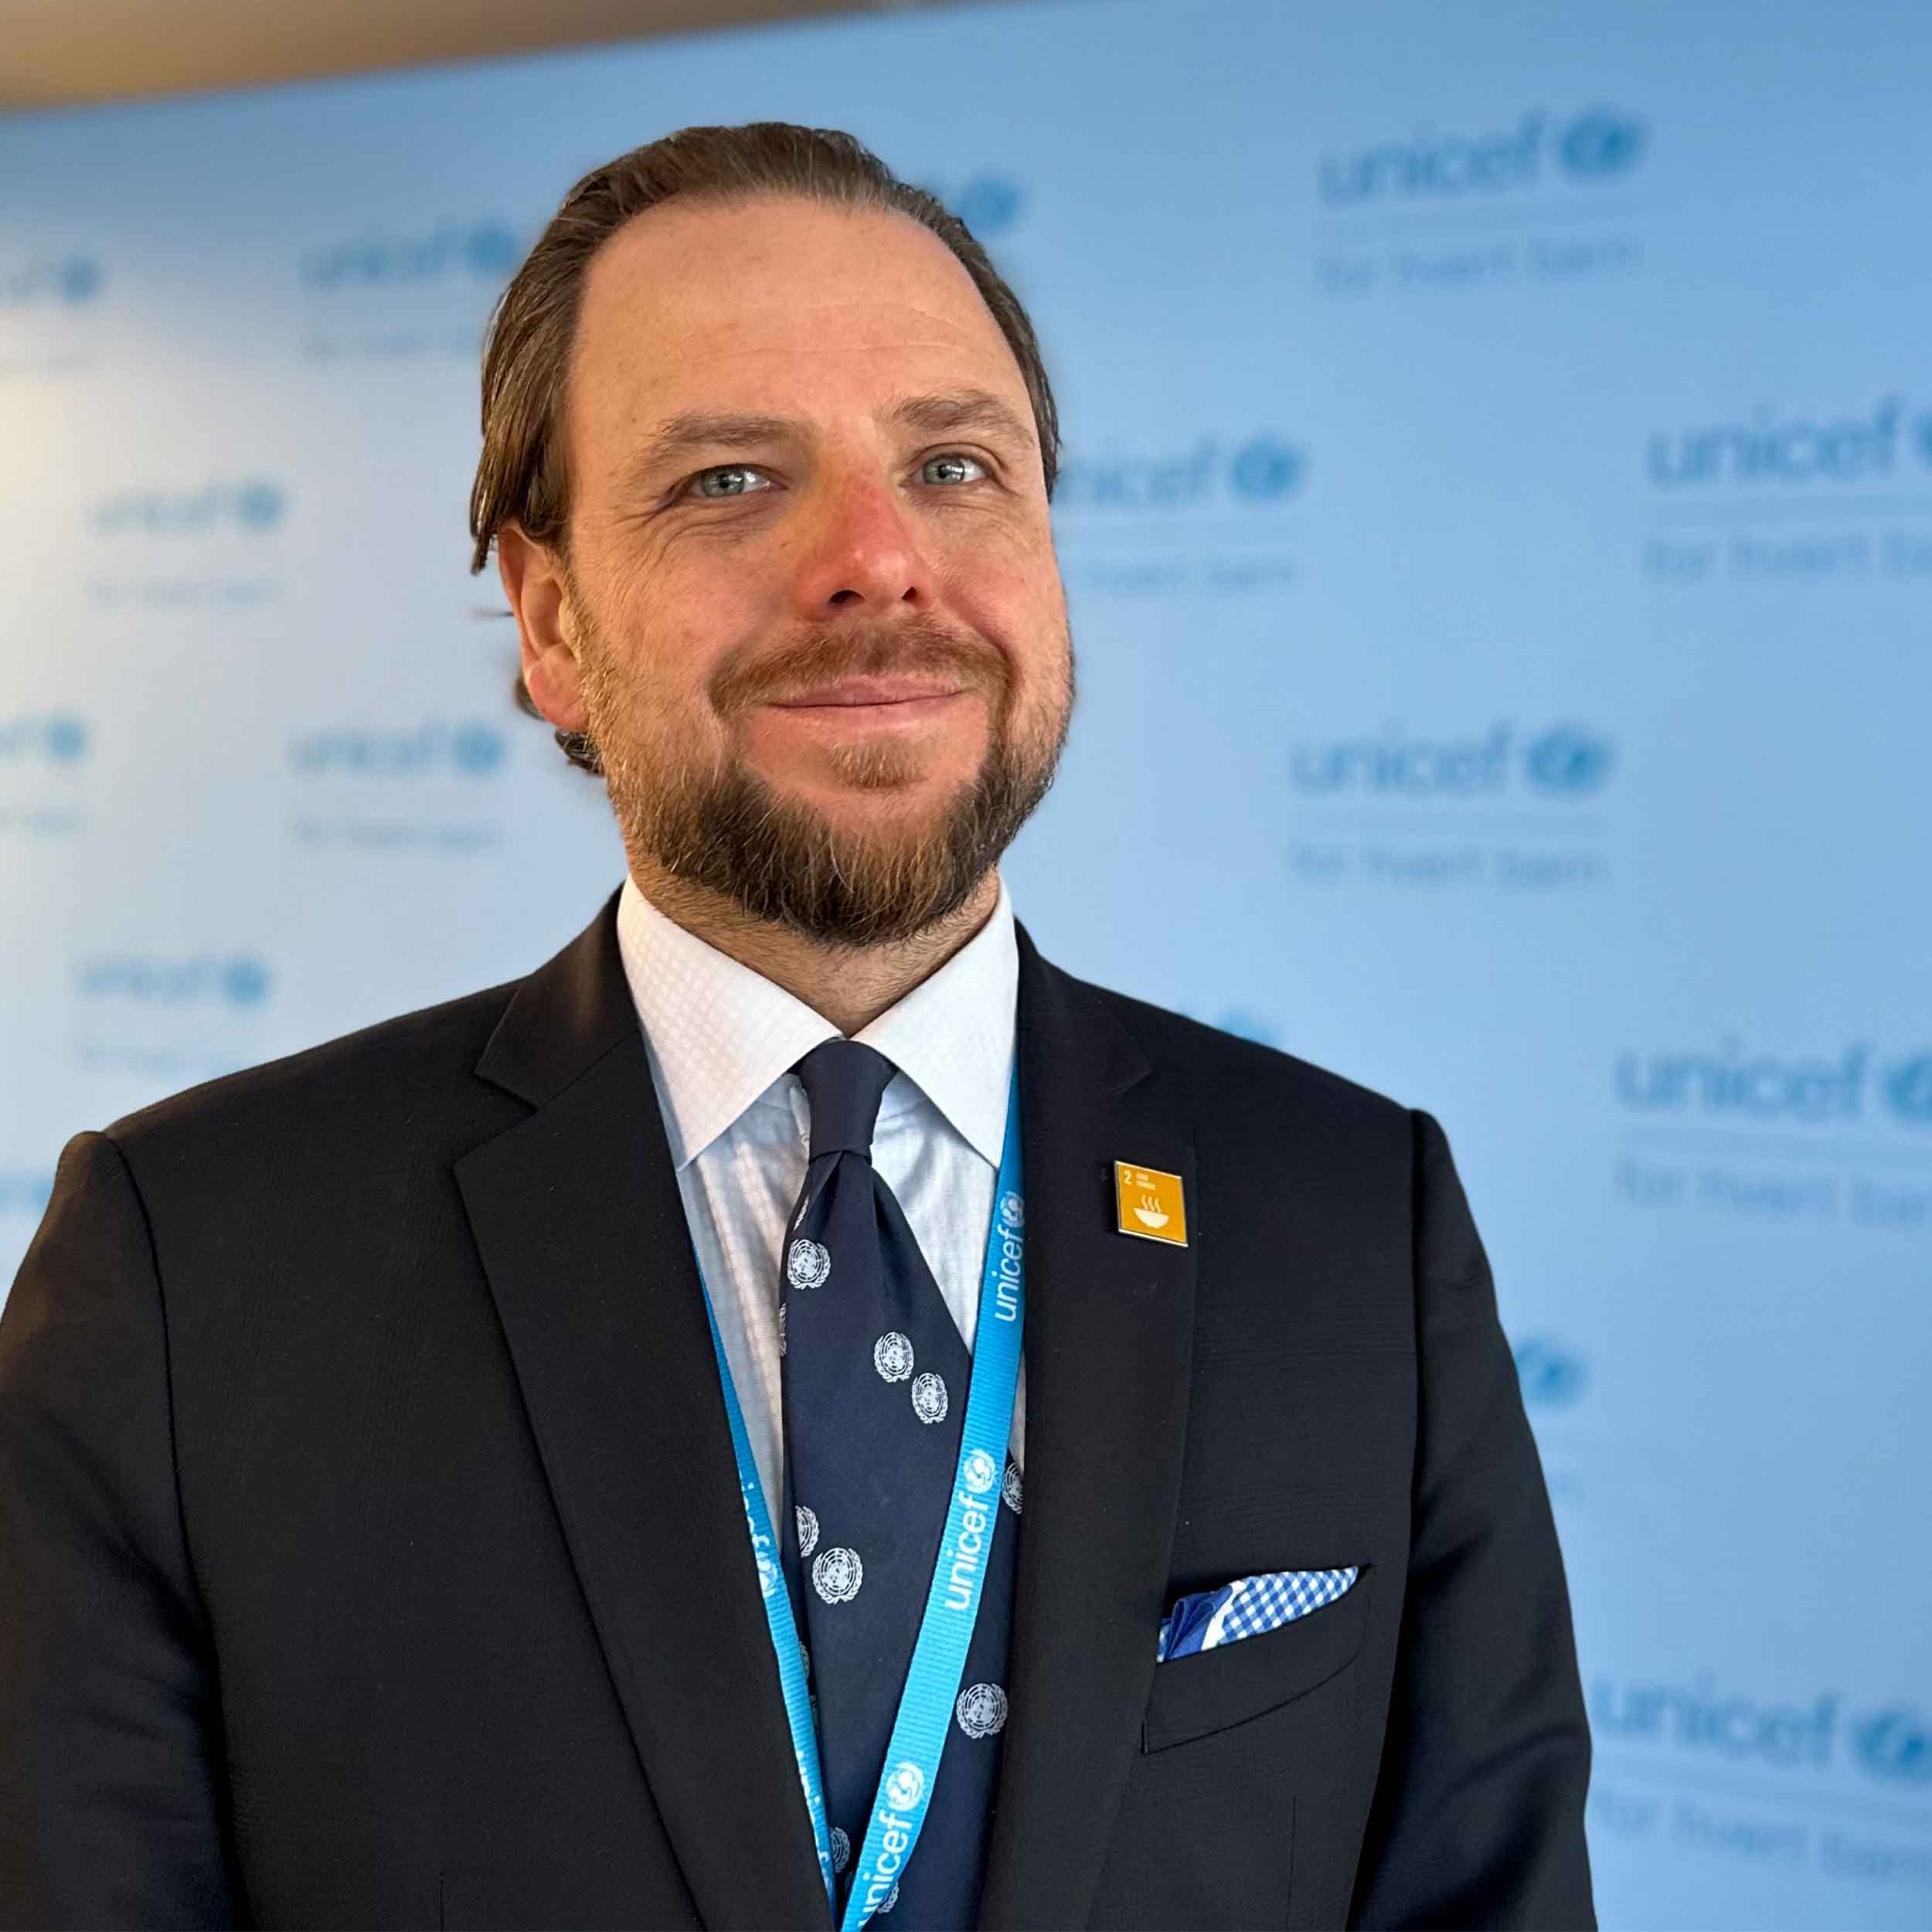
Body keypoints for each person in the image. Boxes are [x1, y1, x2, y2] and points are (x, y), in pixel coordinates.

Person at [0, 122, 1594, 1930]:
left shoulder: (1355, 1215)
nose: (875, 559)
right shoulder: (188, 1275)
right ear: (548, 619)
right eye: (730, 479)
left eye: (953, 464)